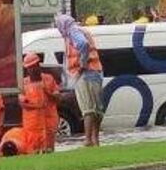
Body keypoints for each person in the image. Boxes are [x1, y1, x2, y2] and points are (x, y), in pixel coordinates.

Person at [58, 14, 105, 147]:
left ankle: (88, 140)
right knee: (96, 108)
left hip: (85, 73)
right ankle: (95, 139)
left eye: (58, 25)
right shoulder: (82, 30)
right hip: (96, 71)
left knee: (87, 109)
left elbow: (83, 45)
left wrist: (82, 64)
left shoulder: (73, 32)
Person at [19, 52, 59, 154]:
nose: (33, 69)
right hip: (32, 126)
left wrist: (47, 92)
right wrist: (37, 107)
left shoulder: (49, 79)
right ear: (27, 69)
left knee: (49, 150)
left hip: (49, 122)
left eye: (35, 66)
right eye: (30, 67)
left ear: (38, 66)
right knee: (33, 151)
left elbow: (58, 98)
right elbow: (22, 103)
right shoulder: (23, 83)